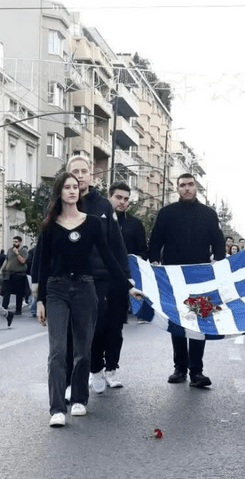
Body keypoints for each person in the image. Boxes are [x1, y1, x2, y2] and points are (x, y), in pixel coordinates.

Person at [35, 173, 142, 427]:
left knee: (83, 350)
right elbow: (42, 265)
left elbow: (108, 257)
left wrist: (128, 286)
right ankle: (57, 408)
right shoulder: (50, 225)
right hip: (57, 290)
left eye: (75, 187)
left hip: (85, 289)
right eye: (67, 187)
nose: (72, 191)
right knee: (58, 352)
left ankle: (80, 399)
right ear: (59, 192)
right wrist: (40, 300)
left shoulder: (92, 223)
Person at [148, 173, 226, 388]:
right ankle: (180, 368)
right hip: (173, 276)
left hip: (201, 277)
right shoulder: (166, 214)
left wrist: (219, 265)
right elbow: (155, 241)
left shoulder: (208, 214)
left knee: (200, 322)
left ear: (195, 187)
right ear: (177, 188)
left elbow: (218, 242)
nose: (187, 189)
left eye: (190, 185)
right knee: (178, 322)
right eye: (182, 185)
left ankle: (197, 371)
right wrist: (154, 262)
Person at [65, 155, 130, 395]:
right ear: (68, 174)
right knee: (71, 333)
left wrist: (126, 277)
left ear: (91, 174)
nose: (80, 175)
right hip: (68, 278)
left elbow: (117, 245)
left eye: (84, 171)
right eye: (76, 171)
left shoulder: (103, 205)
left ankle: (97, 368)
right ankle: (71, 383)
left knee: (99, 327)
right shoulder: (60, 203)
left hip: (100, 279)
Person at [98, 181, 149, 389]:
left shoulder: (135, 225)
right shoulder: (96, 219)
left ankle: (111, 369)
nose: (122, 202)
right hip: (98, 282)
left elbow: (144, 254)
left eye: (126, 199)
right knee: (96, 328)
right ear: (109, 196)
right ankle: (95, 369)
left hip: (121, 285)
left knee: (115, 329)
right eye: (118, 197)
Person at [0, 236, 28, 316]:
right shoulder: (10, 250)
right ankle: (3, 308)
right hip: (9, 274)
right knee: (6, 291)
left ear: (20, 242)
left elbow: (23, 261)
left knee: (19, 293)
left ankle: (18, 310)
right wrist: (2, 269)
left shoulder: (24, 251)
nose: (14, 243)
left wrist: (17, 253)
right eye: (14, 241)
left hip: (19, 274)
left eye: (16, 242)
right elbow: (6, 260)